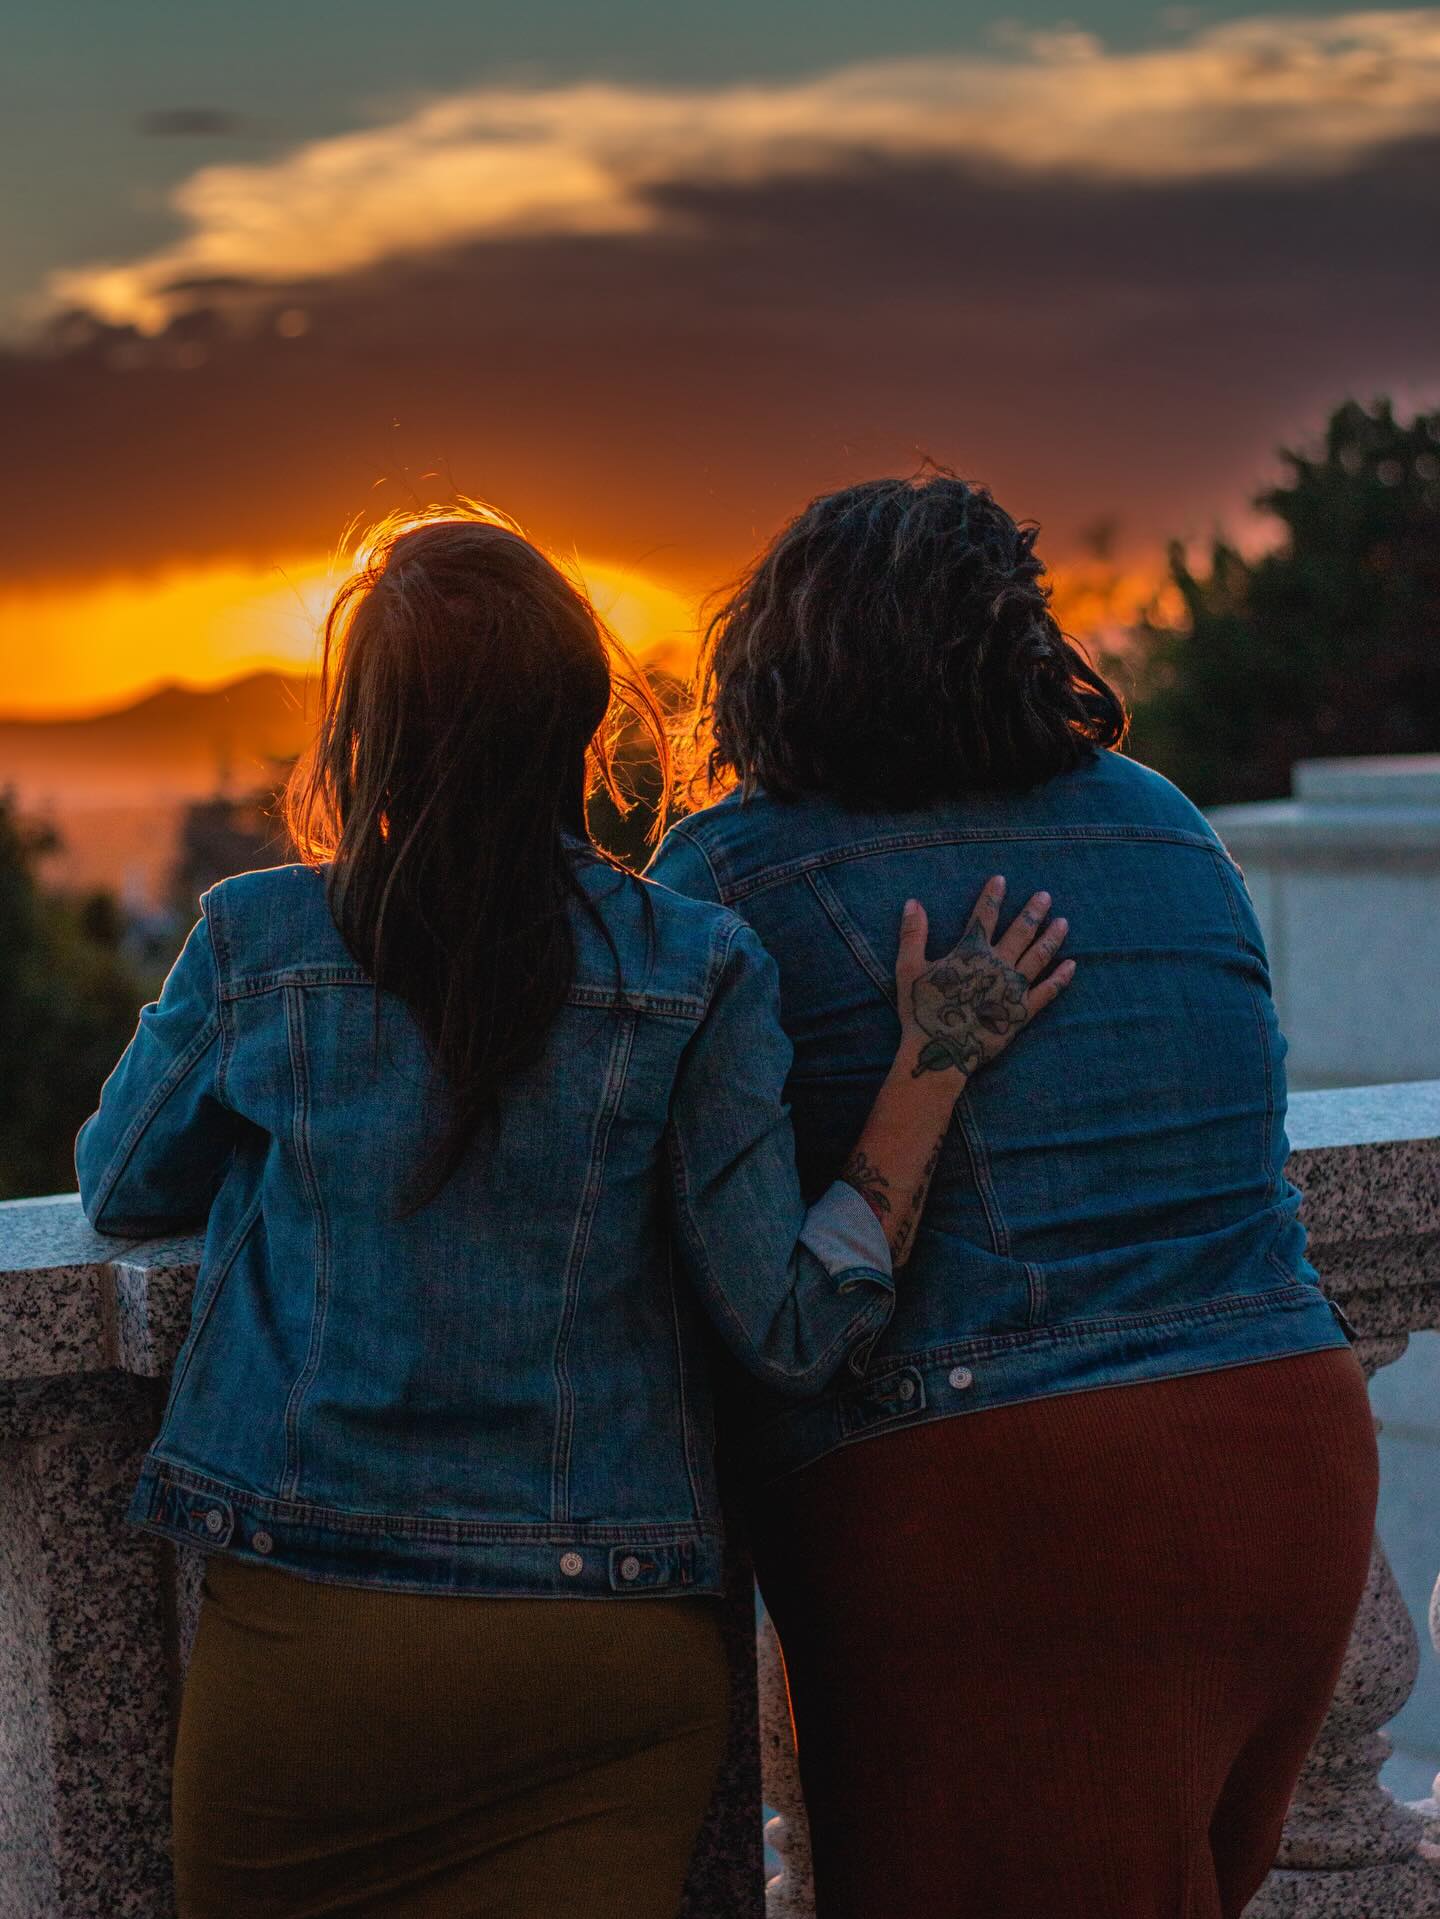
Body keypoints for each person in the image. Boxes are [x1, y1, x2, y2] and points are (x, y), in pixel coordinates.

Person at [75, 505, 1073, 1919]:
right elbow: (790, 1331)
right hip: (605, 1644)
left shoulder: (258, 941)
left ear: (358, 733)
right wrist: (928, 1069)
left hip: (313, 1643)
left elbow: (123, 1184)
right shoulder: (698, 963)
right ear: (583, 725)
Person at [649, 473, 1378, 1919]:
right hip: (1292, 1455)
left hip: (1007, 1513)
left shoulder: (730, 871)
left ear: (782, 657)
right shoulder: (1166, 824)